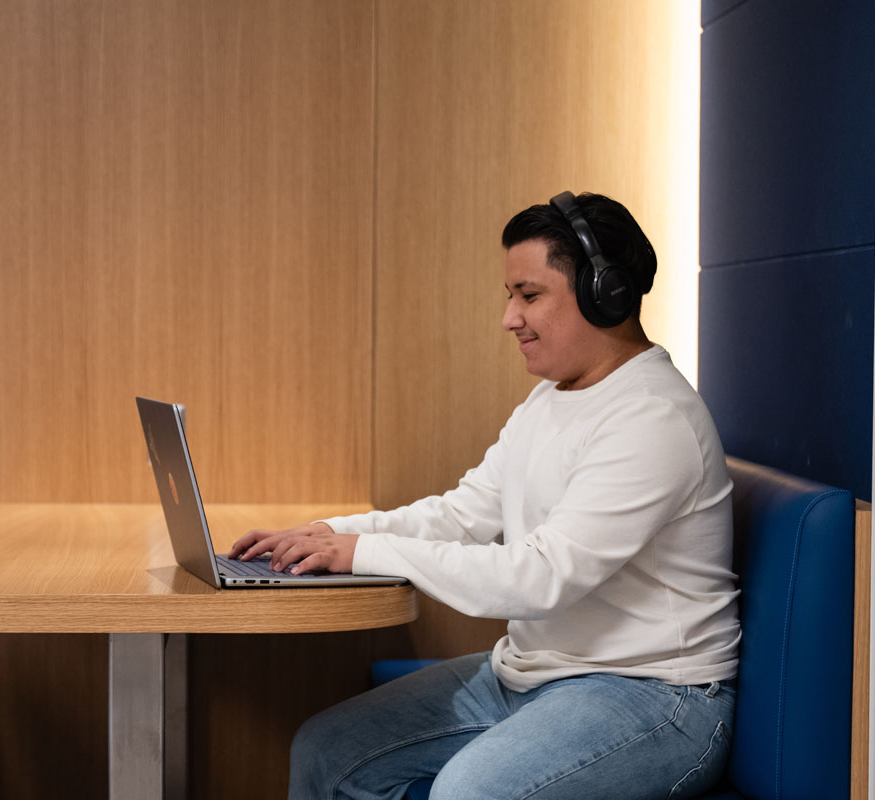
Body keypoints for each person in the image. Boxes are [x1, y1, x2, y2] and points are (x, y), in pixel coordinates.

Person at [229, 192, 741, 800]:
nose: (509, 318)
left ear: (607, 294)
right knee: (327, 751)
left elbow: (540, 577)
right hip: (531, 675)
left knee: (469, 793)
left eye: (529, 295)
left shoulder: (652, 419)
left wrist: (363, 551)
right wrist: (327, 536)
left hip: (656, 697)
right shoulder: (552, 398)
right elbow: (462, 513)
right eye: (510, 297)